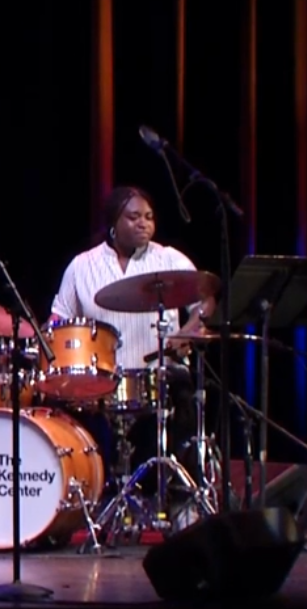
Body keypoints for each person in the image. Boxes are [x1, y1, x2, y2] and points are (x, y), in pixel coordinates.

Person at [49, 186, 215, 498]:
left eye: (149, 217)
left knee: (183, 397)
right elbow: (59, 319)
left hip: (161, 378)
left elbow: (205, 300)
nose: (144, 224)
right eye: (134, 217)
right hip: (103, 385)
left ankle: (179, 498)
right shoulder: (82, 266)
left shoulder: (169, 258)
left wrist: (190, 329)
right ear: (113, 223)